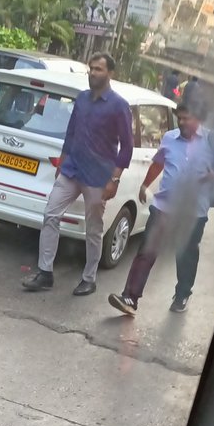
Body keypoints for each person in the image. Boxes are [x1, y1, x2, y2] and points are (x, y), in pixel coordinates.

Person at [108, 100, 214, 317]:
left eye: (187, 118)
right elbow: (159, 162)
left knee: (185, 254)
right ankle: (130, 297)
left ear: (199, 119)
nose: (182, 122)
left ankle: (183, 293)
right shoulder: (169, 138)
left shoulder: (213, 141)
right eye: (180, 118)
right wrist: (145, 184)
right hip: (163, 206)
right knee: (146, 251)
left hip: (193, 211)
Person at [22, 51, 133, 297]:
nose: (93, 73)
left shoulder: (119, 106)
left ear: (110, 73)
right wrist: (62, 163)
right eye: (91, 68)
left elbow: (127, 147)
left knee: (93, 229)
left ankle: (89, 278)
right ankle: (45, 273)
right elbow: (71, 132)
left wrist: (114, 180)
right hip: (71, 170)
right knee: (51, 214)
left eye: (99, 69)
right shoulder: (81, 99)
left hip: (98, 177)